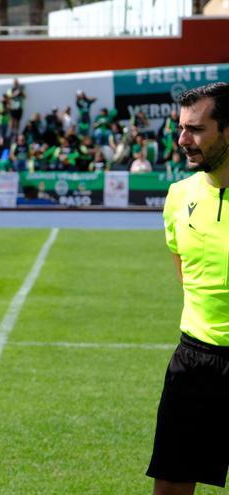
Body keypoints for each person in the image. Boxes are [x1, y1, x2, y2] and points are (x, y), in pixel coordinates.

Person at [147, 82, 229, 495]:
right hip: (194, 360)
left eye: (196, 129)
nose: (183, 140)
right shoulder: (179, 196)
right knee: (171, 485)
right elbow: (187, 275)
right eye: (181, 128)